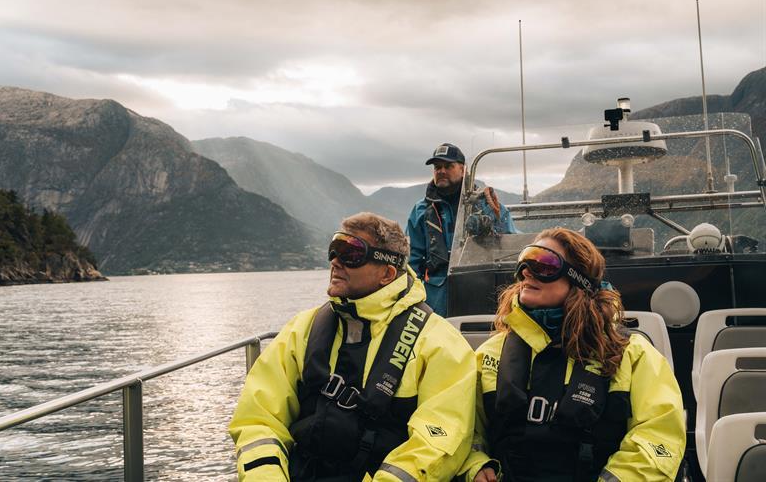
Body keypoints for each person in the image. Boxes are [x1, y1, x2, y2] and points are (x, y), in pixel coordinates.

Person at [229, 212, 477, 481]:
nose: (336, 261)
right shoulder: (302, 330)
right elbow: (259, 419)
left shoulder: (441, 344)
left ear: (387, 273)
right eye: (334, 249)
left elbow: (436, 440)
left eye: (352, 254)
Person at [460, 227, 686, 482]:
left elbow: (660, 435)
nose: (526, 272)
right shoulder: (489, 354)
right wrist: (475, 465)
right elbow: (464, 431)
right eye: (524, 262)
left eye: (544, 264)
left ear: (579, 280)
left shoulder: (633, 354)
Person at [407, 143, 517, 316]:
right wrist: (414, 300)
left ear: (463, 169)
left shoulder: (490, 205)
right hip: (434, 299)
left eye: (448, 166)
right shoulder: (420, 211)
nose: (441, 171)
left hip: (482, 287)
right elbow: (412, 260)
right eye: (437, 167)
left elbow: (511, 246)